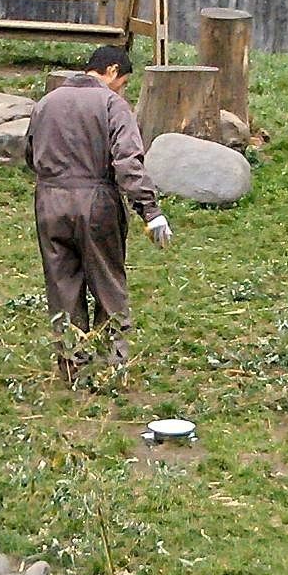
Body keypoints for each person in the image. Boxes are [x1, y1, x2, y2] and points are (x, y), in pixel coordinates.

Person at [27, 44, 173, 378]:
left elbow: (29, 153)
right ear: (110, 71)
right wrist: (150, 211)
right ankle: (112, 363)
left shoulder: (46, 102)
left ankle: (71, 365)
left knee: (62, 285)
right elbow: (127, 161)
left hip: (49, 201)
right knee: (107, 282)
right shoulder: (111, 104)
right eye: (123, 82)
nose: (123, 89)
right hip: (96, 201)